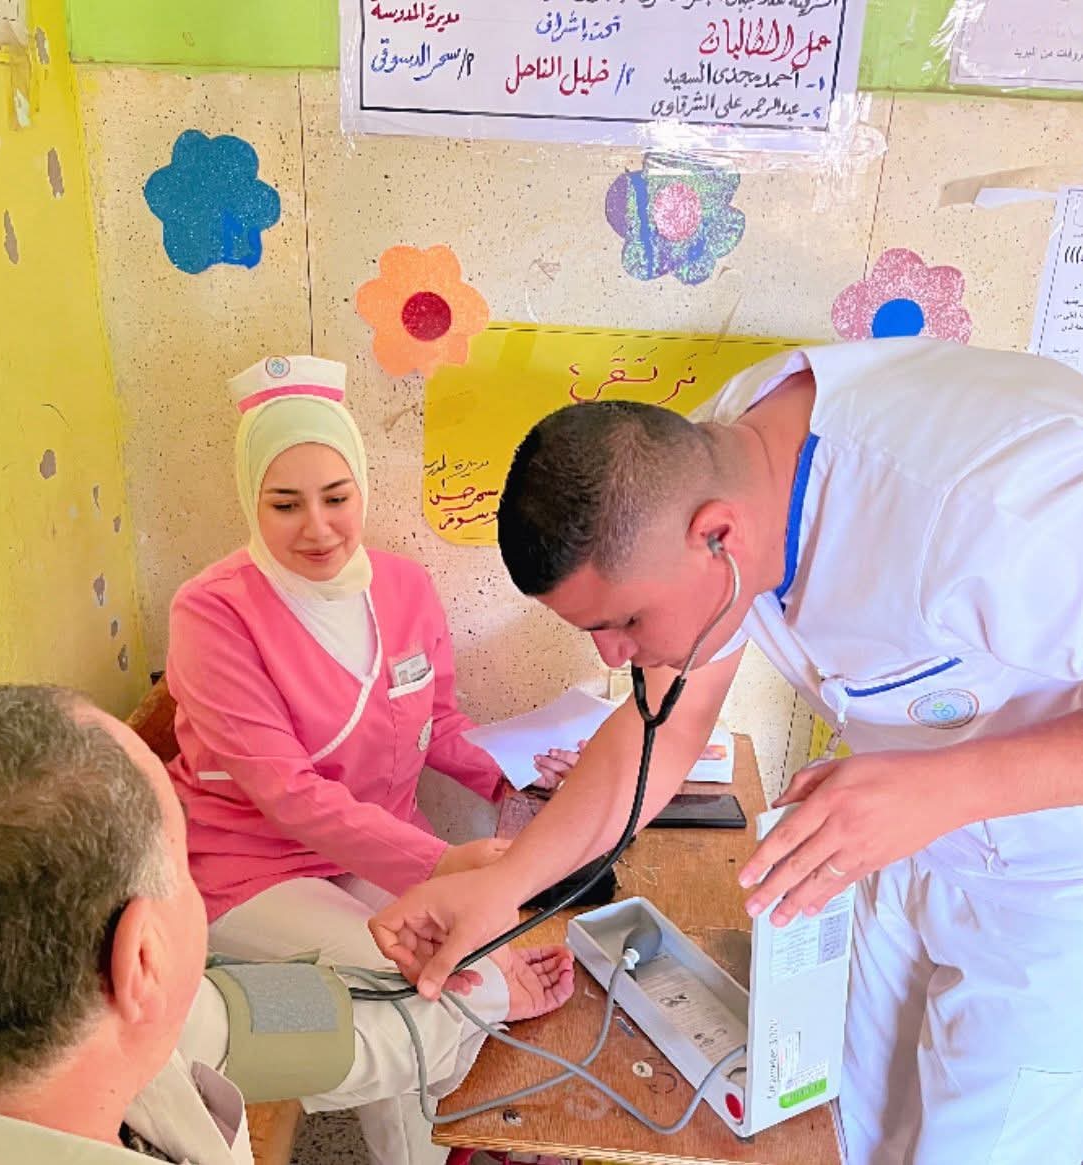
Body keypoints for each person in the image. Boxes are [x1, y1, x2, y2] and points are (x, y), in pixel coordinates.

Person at [370, 337, 1083, 1165]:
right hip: (911, 849)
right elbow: (661, 727)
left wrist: (941, 789)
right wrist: (503, 886)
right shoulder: (723, 461)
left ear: (718, 536)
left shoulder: (1005, 511)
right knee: (846, 1131)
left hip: (1055, 893)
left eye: (625, 622)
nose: (613, 655)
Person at [165, 354, 576, 1163]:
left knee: (451, 965)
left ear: (362, 488)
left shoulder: (403, 588)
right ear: (250, 499)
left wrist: (514, 771)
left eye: (336, 496)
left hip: (373, 852)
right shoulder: (211, 615)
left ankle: (431, 1141)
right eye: (285, 504)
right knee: (419, 983)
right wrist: (445, 862)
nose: (318, 528)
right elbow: (287, 793)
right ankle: (451, 1100)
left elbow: (436, 720)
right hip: (251, 869)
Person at [0, 684, 575, 1164]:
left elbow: (314, 1029)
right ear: (142, 956)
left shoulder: (123, 1021)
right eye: (182, 859)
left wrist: (491, 991)